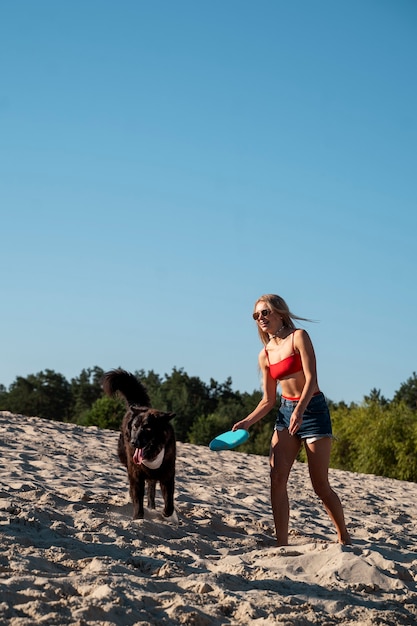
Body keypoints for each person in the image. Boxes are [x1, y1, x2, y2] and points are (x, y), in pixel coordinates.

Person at [233, 294, 351, 546]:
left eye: (265, 312)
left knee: (319, 485)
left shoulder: (299, 337)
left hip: (313, 410)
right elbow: (267, 400)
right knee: (277, 478)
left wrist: (301, 410)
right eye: (256, 315)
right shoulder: (265, 354)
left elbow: (312, 379)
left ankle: (343, 536)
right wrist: (246, 422)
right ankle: (282, 543)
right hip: (286, 412)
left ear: (279, 312)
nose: (260, 318)